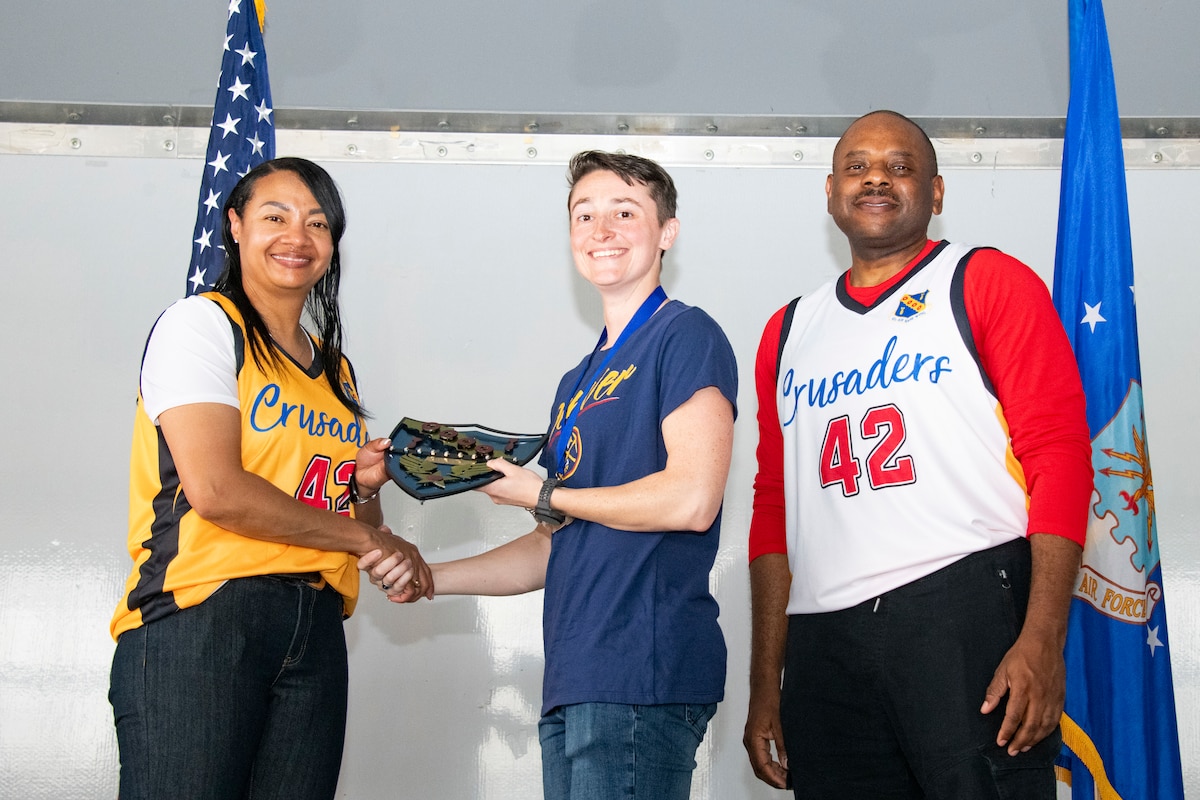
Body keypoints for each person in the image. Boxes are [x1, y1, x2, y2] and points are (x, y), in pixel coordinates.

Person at [362, 151, 738, 800]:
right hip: (575, 680)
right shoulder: (576, 382)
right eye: (584, 215)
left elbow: (693, 498)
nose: (602, 230)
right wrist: (432, 577)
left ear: (666, 233)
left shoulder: (686, 336)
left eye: (626, 212)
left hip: (640, 671)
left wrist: (537, 490)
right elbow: (551, 541)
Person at [742, 111, 1092, 799]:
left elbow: (1060, 455)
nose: (877, 176)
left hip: (959, 609)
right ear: (831, 191)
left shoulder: (986, 281)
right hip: (824, 641)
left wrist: (1044, 638)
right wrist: (766, 681)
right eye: (858, 166)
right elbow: (774, 508)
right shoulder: (788, 331)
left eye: (900, 166)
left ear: (935, 192)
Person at [108, 157, 432, 800]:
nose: (297, 237)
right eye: (274, 216)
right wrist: (368, 542)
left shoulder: (337, 371)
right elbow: (219, 492)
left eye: (317, 223)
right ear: (234, 224)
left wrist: (365, 496)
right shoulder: (201, 325)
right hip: (203, 614)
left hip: (314, 625)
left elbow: (347, 520)